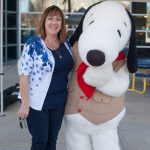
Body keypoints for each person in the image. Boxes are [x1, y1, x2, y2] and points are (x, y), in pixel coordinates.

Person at [18, 5, 74, 150]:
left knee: (52, 141)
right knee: (40, 142)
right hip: (37, 102)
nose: (54, 22)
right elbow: (24, 76)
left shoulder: (65, 44)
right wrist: (25, 104)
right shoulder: (33, 44)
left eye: (58, 19)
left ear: (62, 23)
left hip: (59, 101)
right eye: (50, 18)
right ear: (44, 21)